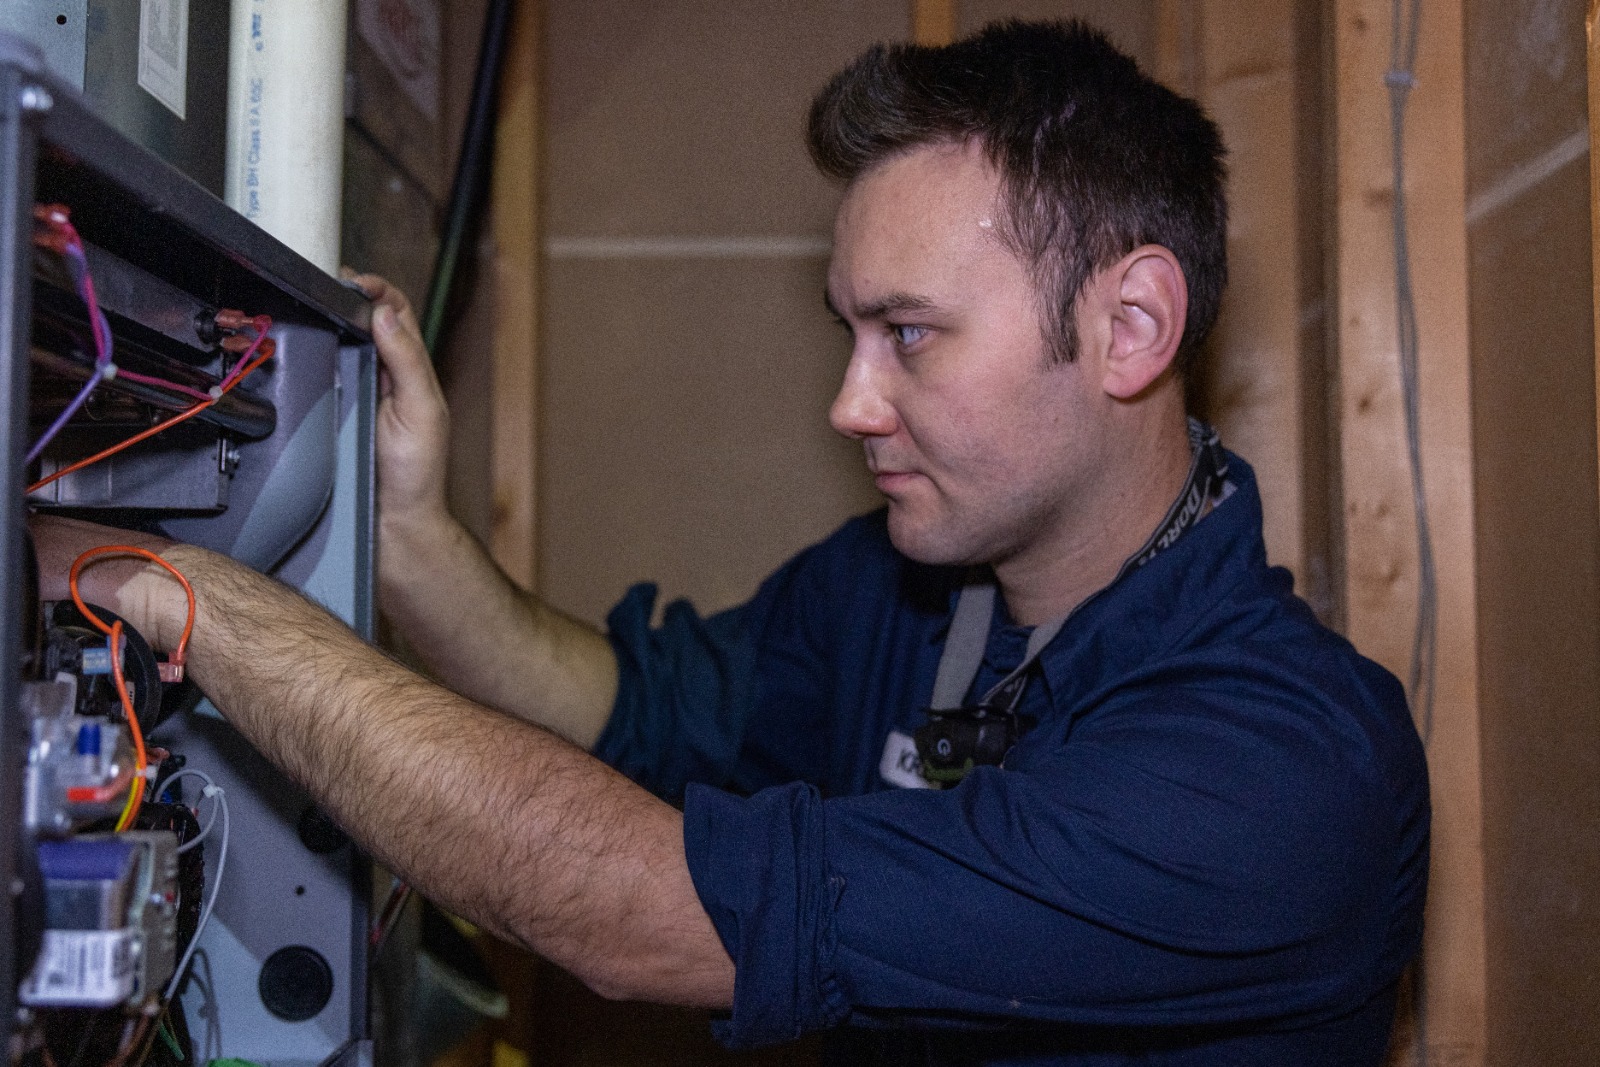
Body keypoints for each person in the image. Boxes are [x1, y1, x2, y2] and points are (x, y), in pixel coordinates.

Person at [35, 20, 1429, 1066]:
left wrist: (159, 580)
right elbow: (626, 709)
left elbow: (639, 915)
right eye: (850, 330)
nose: (850, 401)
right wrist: (408, 537)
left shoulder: (1282, 771)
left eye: (911, 334)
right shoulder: (910, 588)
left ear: (1130, 329)